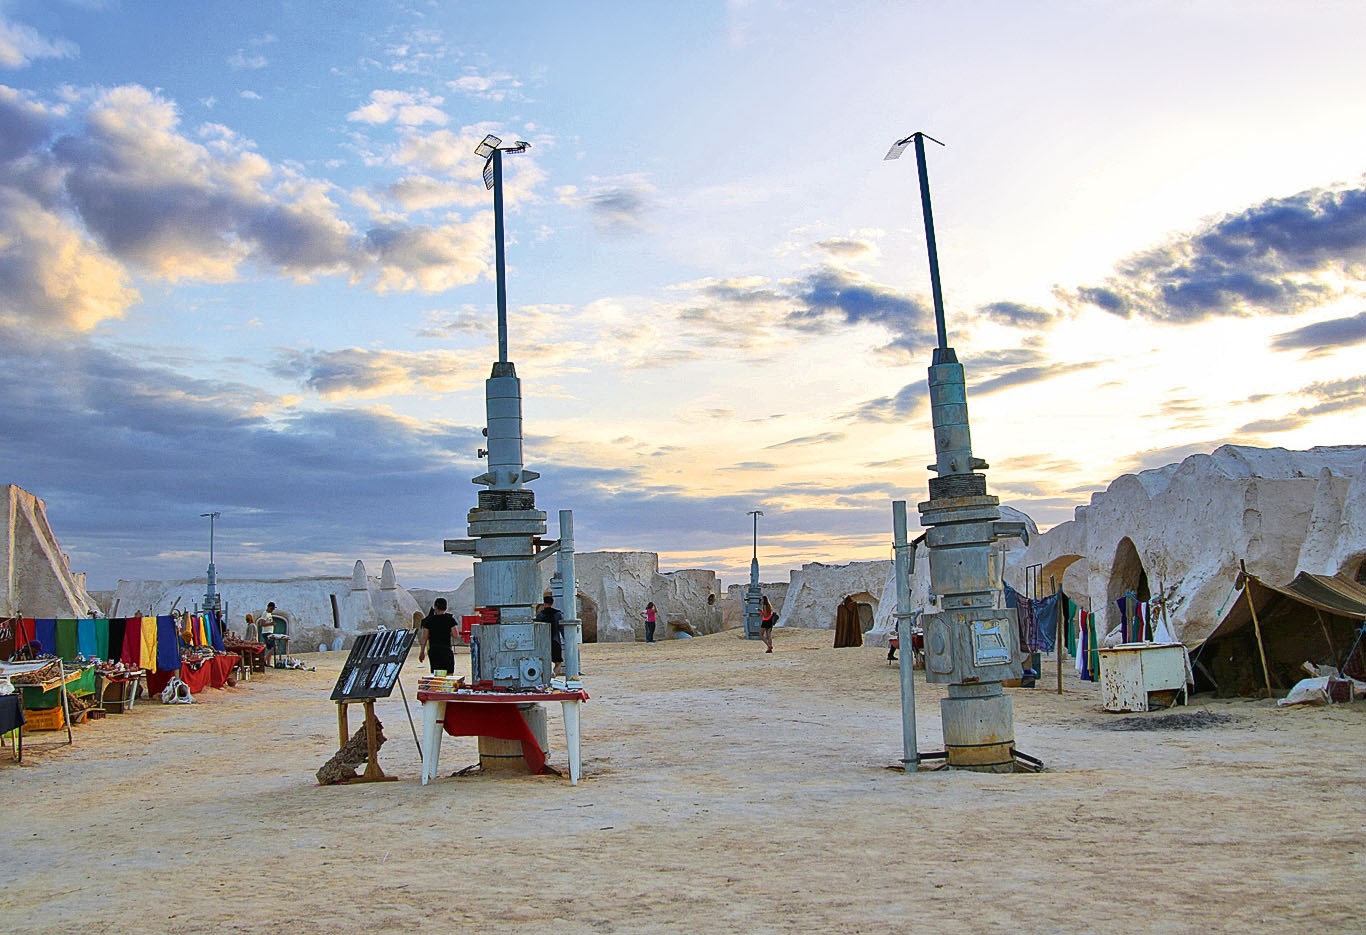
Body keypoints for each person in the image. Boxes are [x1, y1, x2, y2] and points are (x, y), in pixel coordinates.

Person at [419, 598, 458, 675]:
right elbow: (455, 635)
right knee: (449, 674)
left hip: (434, 650)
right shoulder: (450, 619)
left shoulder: (429, 620)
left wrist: (422, 652)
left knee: (437, 675)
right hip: (446, 650)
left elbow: (425, 637)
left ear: (435, 607)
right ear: (445, 607)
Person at [536, 595, 565, 676]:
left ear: (543, 603)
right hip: (555, 641)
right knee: (558, 663)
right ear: (552, 603)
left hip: (543, 642)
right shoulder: (558, 614)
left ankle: (546, 677)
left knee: (543, 661)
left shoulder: (540, 615)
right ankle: (553, 677)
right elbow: (562, 628)